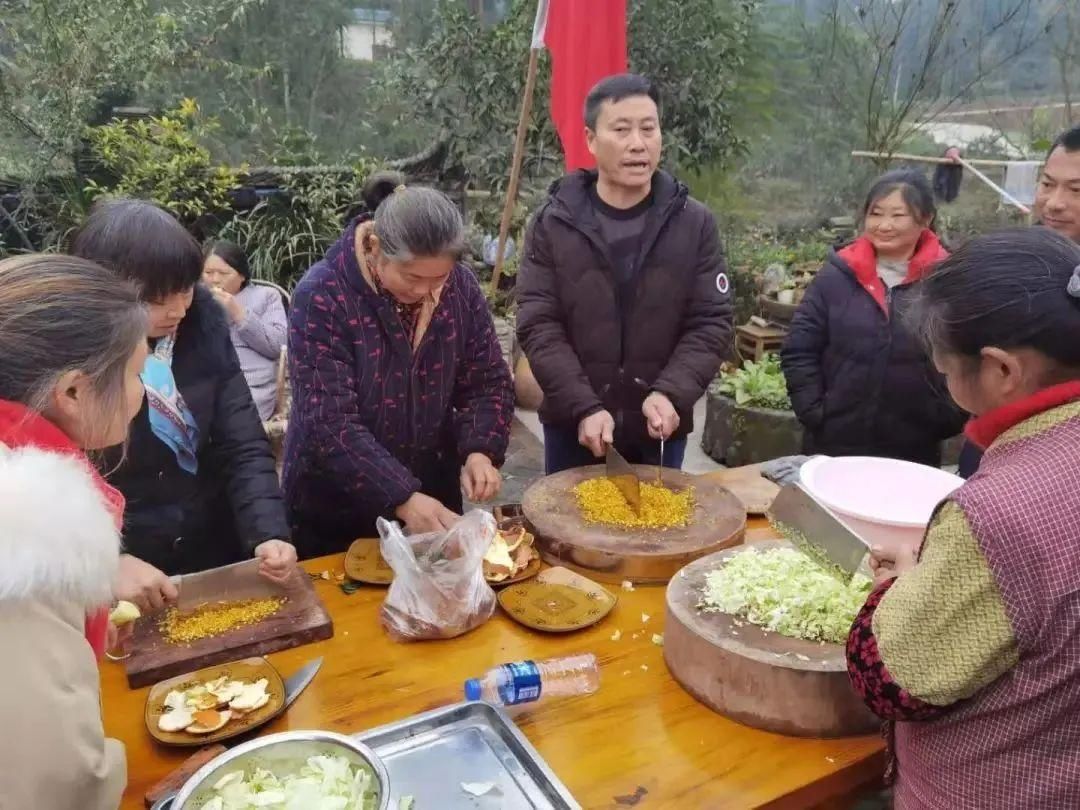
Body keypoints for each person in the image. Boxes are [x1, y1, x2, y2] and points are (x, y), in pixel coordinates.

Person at [846, 228, 1080, 808]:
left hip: (991, 788)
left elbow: (889, 677)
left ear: (1002, 370)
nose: (944, 381)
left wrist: (894, 588)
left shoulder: (1001, 512)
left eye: (946, 367)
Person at [71, 200, 295, 610]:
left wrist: (267, 531)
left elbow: (241, 441)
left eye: (186, 289)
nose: (177, 309)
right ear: (104, 291)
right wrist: (105, 561)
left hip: (212, 542)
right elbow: (59, 485)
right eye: (156, 300)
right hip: (128, 567)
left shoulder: (204, 327)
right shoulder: (70, 361)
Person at [283, 172, 513, 556]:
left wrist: (480, 449)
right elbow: (328, 421)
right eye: (412, 277)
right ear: (375, 246)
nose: (425, 291)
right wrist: (401, 495)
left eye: (439, 278)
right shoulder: (323, 296)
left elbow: (487, 380)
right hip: (335, 509)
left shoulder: (462, 289)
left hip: (432, 496)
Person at [517, 73, 733, 474]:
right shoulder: (553, 223)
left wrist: (671, 393)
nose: (638, 143)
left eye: (648, 129)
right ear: (591, 139)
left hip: (660, 426)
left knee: (659, 529)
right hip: (573, 424)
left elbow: (710, 323)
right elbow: (538, 324)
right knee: (567, 530)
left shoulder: (694, 223)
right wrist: (583, 404)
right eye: (622, 129)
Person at [0, 254, 147, 809]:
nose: (142, 394)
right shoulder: (28, 537)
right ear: (75, 392)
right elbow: (59, 781)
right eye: (136, 374)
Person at [781, 169, 965, 466]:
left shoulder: (946, 281)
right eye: (875, 213)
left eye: (897, 215)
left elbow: (967, 355)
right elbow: (800, 347)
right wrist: (814, 410)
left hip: (913, 448)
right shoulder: (838, 275)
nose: (884, 225)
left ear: (925, 218)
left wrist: (943, 418)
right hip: (833, 441)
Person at [957, 124, 1080, 478]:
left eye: (1076, 189)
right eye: (1047, 184)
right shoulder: (1023, 256)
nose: (1054, 202)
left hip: (1056, 470)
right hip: (991, 441)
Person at [203, 240, 288, 421]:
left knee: (229, 417)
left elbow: (277, 346)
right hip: (206, 382)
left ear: (242, 275)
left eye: (224, 273)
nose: (215, 279)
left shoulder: (266, 296)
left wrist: (238, 312)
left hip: (252, 386)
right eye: (208, 273)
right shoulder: (195, 300)